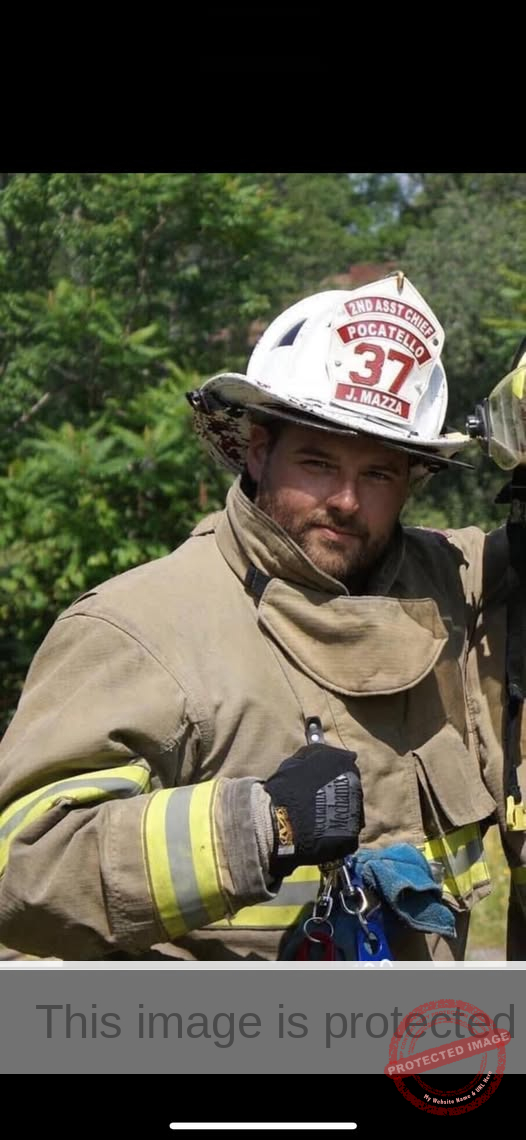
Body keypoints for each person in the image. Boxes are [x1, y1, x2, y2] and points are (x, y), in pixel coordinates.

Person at [0, 272, 524, 962]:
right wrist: (259, 827)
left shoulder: (455, 590)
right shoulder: (138, 628)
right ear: (257, 449)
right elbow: (21, 866)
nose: (345, 500)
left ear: (411, 481)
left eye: (378, 473)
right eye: (318, 462)